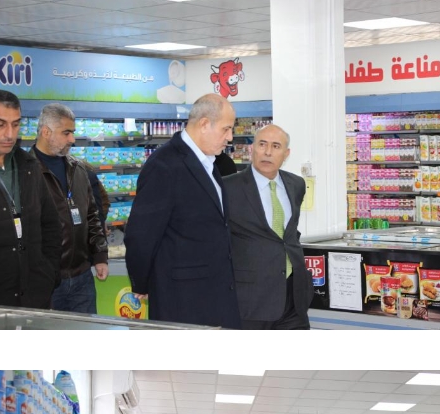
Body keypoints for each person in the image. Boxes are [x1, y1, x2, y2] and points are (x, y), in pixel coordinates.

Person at [125, 95, 240, 327]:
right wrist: (142, 283)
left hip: (215, 295)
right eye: (226, 129)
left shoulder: (209, 163)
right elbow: (141, 235)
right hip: (182, 301)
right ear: (204, 124)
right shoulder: (164, 165)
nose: (230, 137)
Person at [224, 124, 314, 329]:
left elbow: (289, 234)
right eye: (262, 144)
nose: (267, 152)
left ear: (286, 154)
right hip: (250, 300)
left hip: (294, 299)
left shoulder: (296, 184)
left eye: (276, 146)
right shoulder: (228, 187)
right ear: (252, 149)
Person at [31, 103, 108, 314]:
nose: (72, 139)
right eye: (66, 133)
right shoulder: (26, 171)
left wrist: (100, 255)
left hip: (82, 278)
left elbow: (92, 215)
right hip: (47, 280)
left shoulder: (78, 169)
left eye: (72, 132)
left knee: (85, 332)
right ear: (46, 132)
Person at [0, 90, 61, 310]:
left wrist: (49, 273)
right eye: (0, 124)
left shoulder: (29, 166)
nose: (9, 134)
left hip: (34, 298)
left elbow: (50, 224)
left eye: (15, 124)